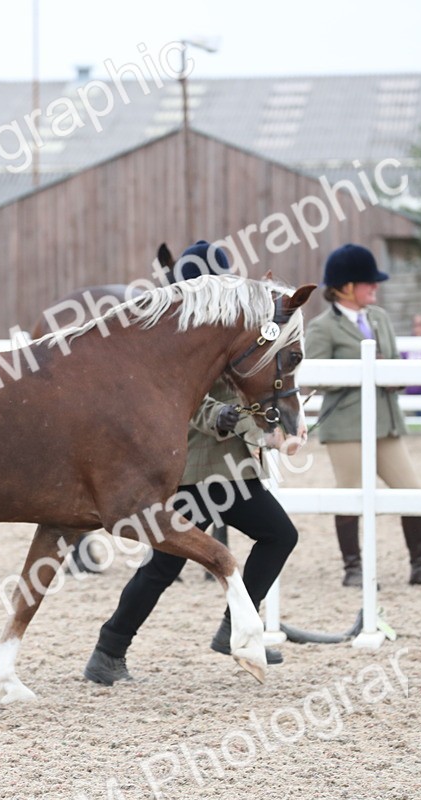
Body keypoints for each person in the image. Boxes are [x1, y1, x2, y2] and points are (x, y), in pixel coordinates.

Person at [83, 240, 301, 686]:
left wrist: (271, 423)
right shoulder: (174, 335)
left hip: (232, 467)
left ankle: (229, 627)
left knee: (278, 535)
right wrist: (220, 416)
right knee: (164, 565)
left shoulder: (227, 327)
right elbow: (181, 399)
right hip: (194, 469)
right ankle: (108, 651)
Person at [305, 244, 421, 589]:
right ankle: (353, 569)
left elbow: (395, 361)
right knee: (350, 493)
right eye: (368, 282)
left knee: (412, 491)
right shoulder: (323, 327)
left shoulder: (379, 318)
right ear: (345, 287)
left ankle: (420, 566)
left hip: (385, 422)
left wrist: (394, 373)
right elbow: (313, 375)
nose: (375, 287)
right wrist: (362, 370)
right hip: (347, 426)